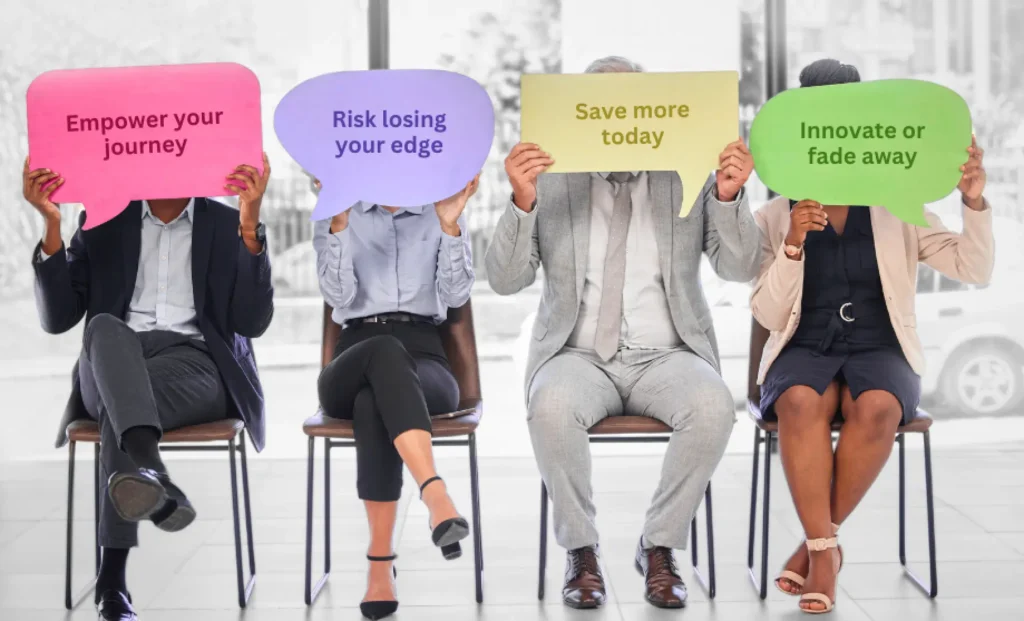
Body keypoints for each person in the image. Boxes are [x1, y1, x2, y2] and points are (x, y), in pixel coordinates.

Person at [486, 55, 760, 610]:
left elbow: (739, 266)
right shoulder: (552, 178)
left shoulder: (686, 168)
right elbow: (505, 279)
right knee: (551, 405)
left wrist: (729, 194)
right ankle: (581, 552)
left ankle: (658, 545)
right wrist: (522, 199)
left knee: (712, 408)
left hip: (668, 352)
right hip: (577, 352)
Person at [751, 59, 995, 614]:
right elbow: (766, 311)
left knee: (880, 407)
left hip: (881, 347)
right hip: (802, 346)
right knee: (800, 400)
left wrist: (973, 201)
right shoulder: (774, 212)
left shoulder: (896, 204)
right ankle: (827, 556)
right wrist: (792, 244)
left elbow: (973, 268)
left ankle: (817, 549)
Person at [24, 153, 274, 621]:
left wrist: (249, 230)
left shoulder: (227, 222)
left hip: (195, 366)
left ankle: (112, 582)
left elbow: (251, 321)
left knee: (122, 407)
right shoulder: (103, 220)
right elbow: (59, 318)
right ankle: (151, 469)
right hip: (112, 358)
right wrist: (52, 226)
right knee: (104, 329)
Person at [311, 173, 479, 620]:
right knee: (380, 358)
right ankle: (434, 492)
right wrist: (341, 223)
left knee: (375, 404)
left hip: (426, 358)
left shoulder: (439, 206)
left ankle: (379, 566)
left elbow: (456, 295)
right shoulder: (336, 208)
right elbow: (337, 295)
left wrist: (448, 224)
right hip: (353, 357)